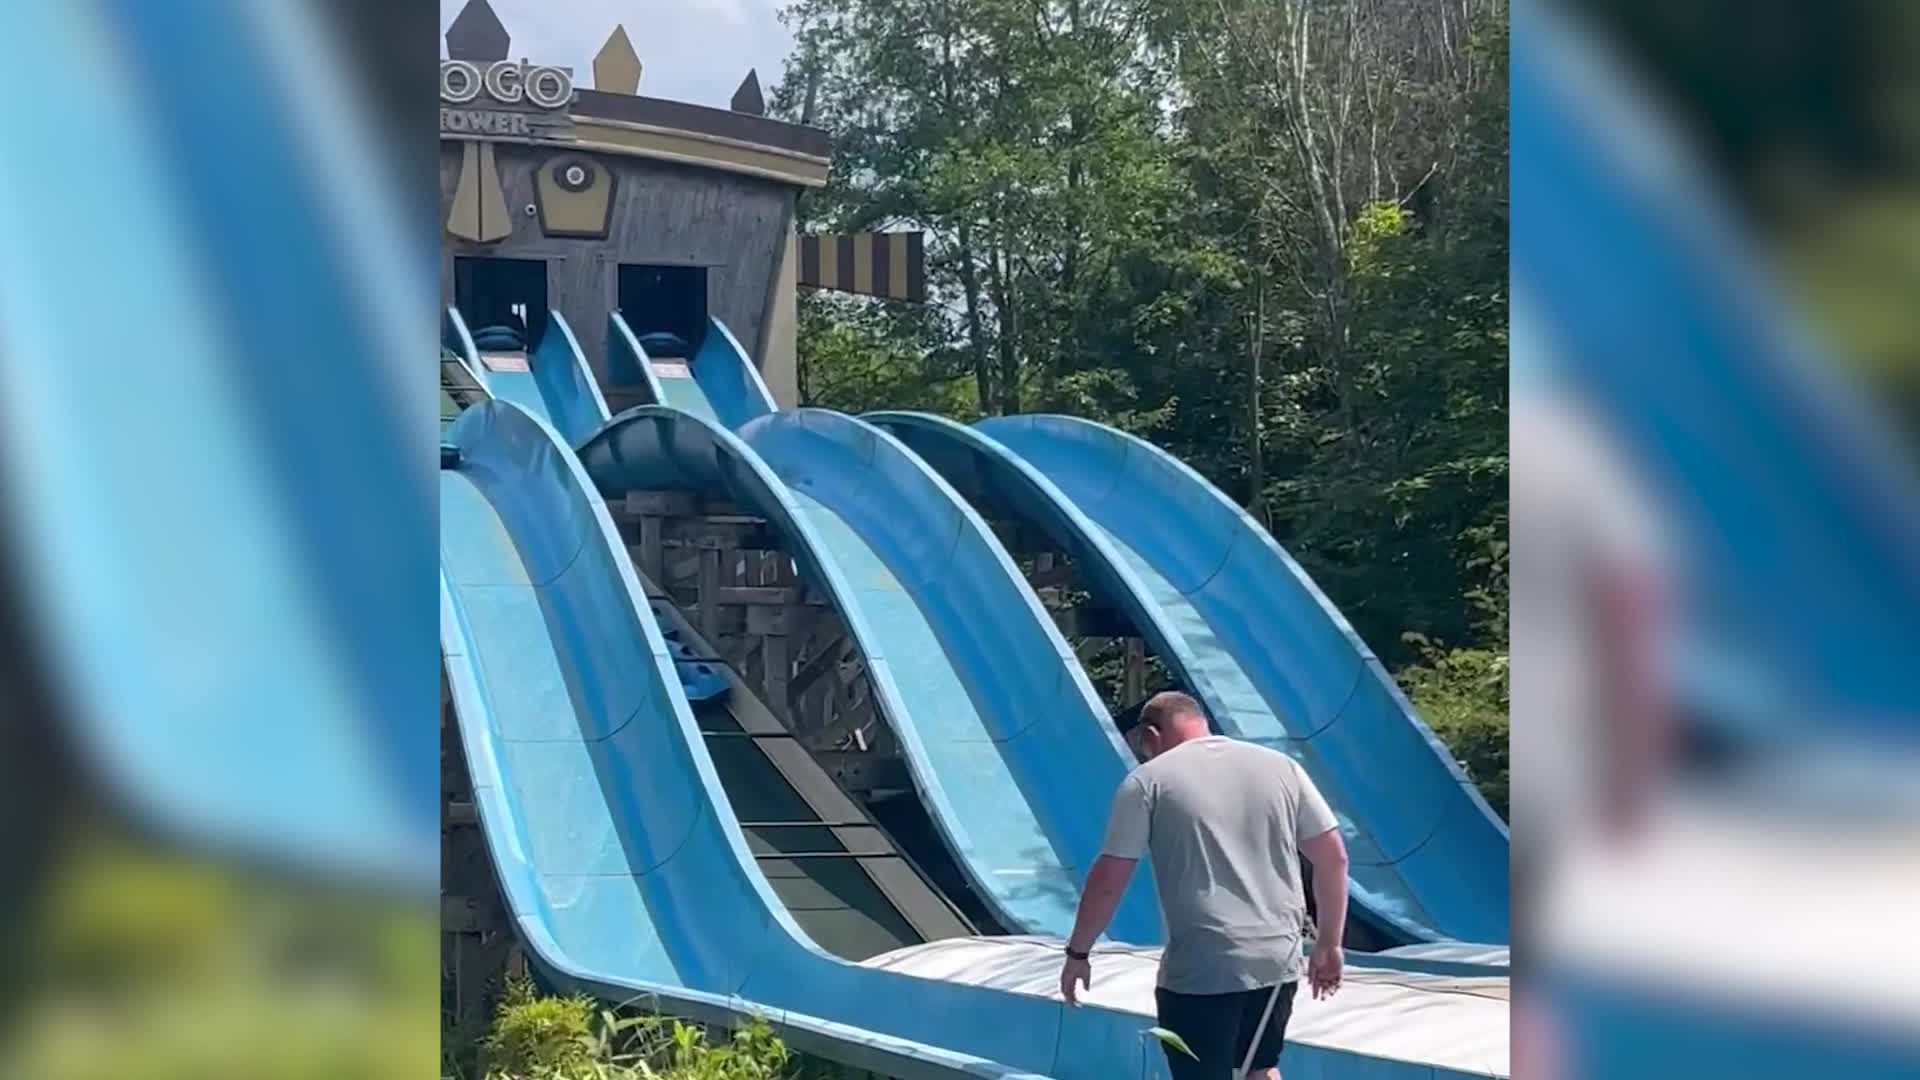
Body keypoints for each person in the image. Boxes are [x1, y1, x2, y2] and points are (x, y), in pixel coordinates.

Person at [1060, 691, 1349, 1080]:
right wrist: (1329, 944)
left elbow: (1111, 877)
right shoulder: (1281, 767)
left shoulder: (1149, 781)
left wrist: (1078, 952)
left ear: (1151, 735)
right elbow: (1334, 857)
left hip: (1203, 964)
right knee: (1261, 1068)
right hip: (1277, 958)